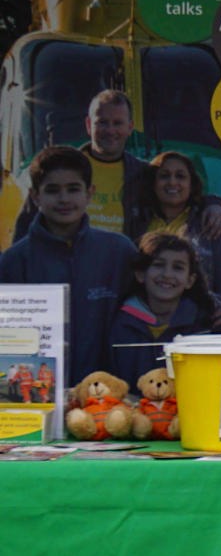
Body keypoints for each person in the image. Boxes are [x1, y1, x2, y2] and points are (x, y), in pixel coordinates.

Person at [10, 89, 221, 244]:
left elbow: (182, 197)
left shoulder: (144, 174)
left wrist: (216, 205)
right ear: (89, 125)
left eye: (118, 123)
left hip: (120, 277)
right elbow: (25, 229)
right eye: (102, 122)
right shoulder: (58, 170)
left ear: (130, 127)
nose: (110, 130)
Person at [0, 145, 137, 384]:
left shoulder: (119, 252)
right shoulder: (13, 261)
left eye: (73, 189)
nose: (64, 199)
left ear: (90, 193)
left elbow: (159, 301)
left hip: (109, 399)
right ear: (35, 196)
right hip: (38, 396)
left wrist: (212, 306)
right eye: (52, 190)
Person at [126, 150, 221, 316]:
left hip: (196, 323)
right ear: (153, 182)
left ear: (192, 184)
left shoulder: (211, 225)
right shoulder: (135, 222)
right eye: (164, 176)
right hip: (143, 320)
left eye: (180, 176)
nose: (172, 182)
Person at [106, 230, 221, 364]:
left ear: (190, 280)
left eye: (178, 267)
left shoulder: (205, 322)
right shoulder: (121, 323)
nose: (167, 274)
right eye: (158, 265)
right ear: (141, 274)